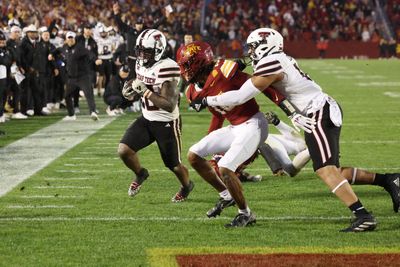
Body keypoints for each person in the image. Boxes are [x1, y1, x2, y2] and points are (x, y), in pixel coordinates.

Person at [191, 28, 400, 232]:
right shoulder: (278, 59)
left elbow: (240, 97)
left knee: (326, 170)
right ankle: (389, 180)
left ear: (266, 45)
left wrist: (207, 99)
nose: (251, 52)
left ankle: (363, 215)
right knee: (331, 169)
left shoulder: (271, 62)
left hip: (318, 111)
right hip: (318, 110)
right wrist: (292, 113)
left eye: (254, 47)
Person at [177, 41, 270, 227]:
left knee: (225, 168)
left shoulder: (225, 69)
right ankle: (226, 195)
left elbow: (256, 82)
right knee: (193, 155)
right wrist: (211, 137)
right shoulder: (192, 92)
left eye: (186, 65)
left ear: (199, 62)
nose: (184, 70)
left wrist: (238, 65)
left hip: (253, 123)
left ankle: (245, 213)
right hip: (235, 127)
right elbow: (217, 114)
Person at [119, 29, 193, 203]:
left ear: (158, 50)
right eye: (140, 51)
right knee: (124, 151)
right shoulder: (140, 63)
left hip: (166, 122)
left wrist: (144, 92)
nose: (142, 55)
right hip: (146, 118)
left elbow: (169, 105)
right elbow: (138, 83)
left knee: (173, 165)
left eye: (147, 51)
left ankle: (187, 185)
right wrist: (130, 90)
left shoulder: (167, 68)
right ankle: (141, 173)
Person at [50, 31, 99, 121]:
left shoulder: (80, 48)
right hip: (71, 78)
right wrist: (52, 54)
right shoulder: (64, 47)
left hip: (83, 77)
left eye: (72, 38)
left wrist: (96, 60)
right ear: (66, 39)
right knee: (67, 96)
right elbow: (58, 50)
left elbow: (90, 53)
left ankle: (93, 112)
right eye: (69, 38)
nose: (70, 40)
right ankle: (71, 114)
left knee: (89, 95)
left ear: (74, 39)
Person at [263, 111, 310, 177]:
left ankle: (314, 148)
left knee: (302, 146)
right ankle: (315, 148)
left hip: (265, 139)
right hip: (265, 139)